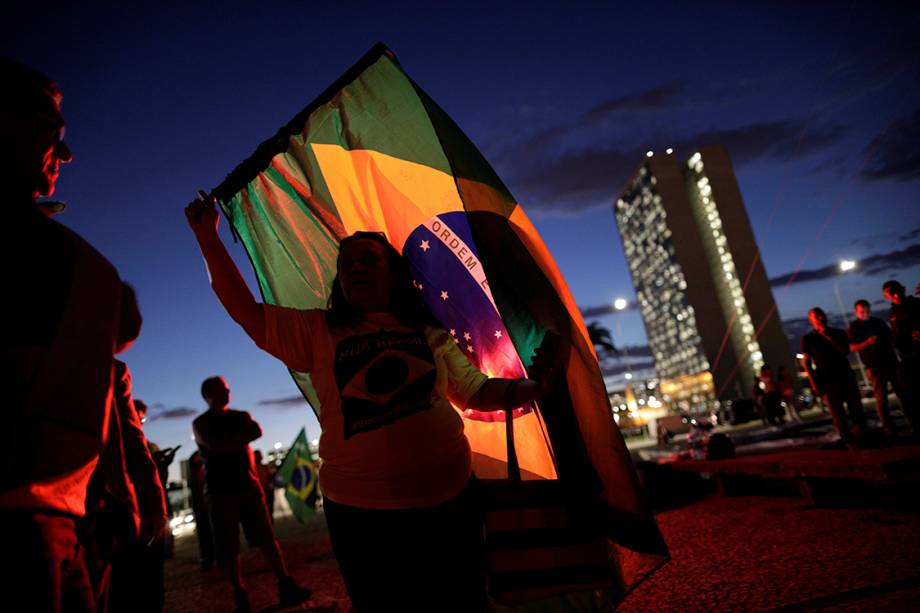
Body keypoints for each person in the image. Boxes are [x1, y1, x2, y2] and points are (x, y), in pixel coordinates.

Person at [185, 192, 562, 612]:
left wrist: (534, 389)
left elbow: (477, 391)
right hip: (360, 512)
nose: (356, 268)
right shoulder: (317, 331)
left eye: (368, 260)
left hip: (449, 501)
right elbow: (244, 310)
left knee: (462, 602)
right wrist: (208, 238)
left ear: (394, 274)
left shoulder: (430, 332)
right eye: (347, 264)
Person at [3, 58, 142, 611]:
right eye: (49, 133)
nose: (65, 156)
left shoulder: (81, 269)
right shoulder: (80, 271)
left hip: (67, 521)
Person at [193, 376, 312, 612]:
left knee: (267, 538)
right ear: (208, 395)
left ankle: (285, 584)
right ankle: (240, 595)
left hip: (248, 486)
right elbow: (216, 444)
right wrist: (240, 439)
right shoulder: (202, 423)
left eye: (227, 389)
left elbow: (256, 431)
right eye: (222, 389)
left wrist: (233, 441)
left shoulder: (239, 416)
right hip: (220, 492)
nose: (228, 392)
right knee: (229, 547)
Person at [82, 360, 169, 612]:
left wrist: (153, 502)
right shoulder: (104, 367)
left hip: (101, 503)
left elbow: (133, 442)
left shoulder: (108, 368)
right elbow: (134, 441)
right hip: (88, 500)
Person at [801, 307, 866, 447]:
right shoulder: (808, 339)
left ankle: (862, 437)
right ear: (810, 320)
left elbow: (845, 351)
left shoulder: (839, 333)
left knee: (856, 409)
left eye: (821, 315)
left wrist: (829, 338)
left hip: (846, 376)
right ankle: (849, 442)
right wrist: (813, 383)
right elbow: (806, 362)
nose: (820, 318)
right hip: (826, 381)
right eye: (816, 316)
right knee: (838, 414)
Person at [847, 299, 906, 435]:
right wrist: (867, 342)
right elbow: (851, 347)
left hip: (891, 362)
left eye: (867, 310)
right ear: (856, 312)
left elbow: (891, 337)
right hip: (874, 366)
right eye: (862, 311)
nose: (865, 314)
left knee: (903, 393)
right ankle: (889, 428)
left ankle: (913, 422)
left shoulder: (878, 322)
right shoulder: (854, 327)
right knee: (881, 398)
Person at [882, 281, 920, 435]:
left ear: (902, 289)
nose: (895, 295)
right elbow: (896, 335)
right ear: (887, 297)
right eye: (890, 293)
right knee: (910, 395)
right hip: (907, 357)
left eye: (896, 291)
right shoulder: (892, 313)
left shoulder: (916, 304)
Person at [187, 450, 215, 570]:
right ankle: (208, 557)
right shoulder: (195, 477)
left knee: (215, 533)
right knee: (205, 534)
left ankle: (217, 556)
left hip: (210, 506)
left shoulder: (208, 473)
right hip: (202, 507)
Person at [253, 450, 277, 524]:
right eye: (259, 455)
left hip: (267, 491)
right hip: (259, 493)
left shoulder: (265, 467)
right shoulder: (254, 469)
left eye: (260, 455)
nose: (260, 457)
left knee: (269, 510)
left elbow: (270, 477)